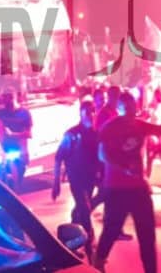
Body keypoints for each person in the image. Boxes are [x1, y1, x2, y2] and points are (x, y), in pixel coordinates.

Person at [93, 92, 161, 273]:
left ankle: (151, 270)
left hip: (138, 187)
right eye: (127, 107)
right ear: (120, 109)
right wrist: (124, 168)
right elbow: (102, 155)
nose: (131, 111)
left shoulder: (139, 125)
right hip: (116, 188)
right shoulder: (110, 127)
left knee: (147, 233)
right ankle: (99, 261)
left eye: (133, 107)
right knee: (112, 229)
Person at [53, 100, 102, 257]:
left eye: (93, 111)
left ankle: (70, 242)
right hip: (76, 179)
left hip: (90, 179)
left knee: (80, 210)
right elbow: (58, 157)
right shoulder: (72, 134)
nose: (90, 114)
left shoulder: (96, 134)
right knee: (85, 209)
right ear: (81, 113)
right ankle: (90, 249)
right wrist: (56, 183)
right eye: (87, 111)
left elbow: (100, 157)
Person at [0, 91, 33, 190]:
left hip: (19, 149)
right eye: (5, 98)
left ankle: (17, 190)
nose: (7, 101)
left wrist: (13, 134)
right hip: (3, 149)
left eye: (10, 98)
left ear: (16, 97)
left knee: (19, 175)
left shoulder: (24, 113)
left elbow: (29, 134)